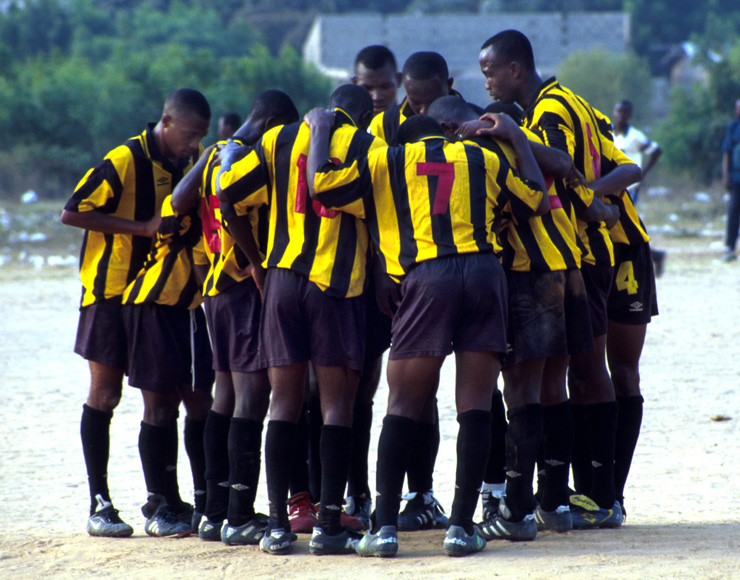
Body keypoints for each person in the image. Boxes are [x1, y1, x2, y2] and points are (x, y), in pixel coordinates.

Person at [308, 110, 547, 557]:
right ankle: (460, 528)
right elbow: (535, 197)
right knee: (474, 405)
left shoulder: (387, 159)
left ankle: (383, 530)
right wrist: (513, 135)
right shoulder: (480, 156)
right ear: (445, 134)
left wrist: (320, 131)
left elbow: (321, 185)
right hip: (483, 273)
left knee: (403, 403)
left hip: (427, 278)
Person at [479, 30, 641, 530]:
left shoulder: (549, 113)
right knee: (593, 376)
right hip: (614, 246)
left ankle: (590, 497)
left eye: (489, 71)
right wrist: (593, 198)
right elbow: (627, 167)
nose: (485, 82)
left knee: (579, 376)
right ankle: (593, 496)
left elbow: (556, 164)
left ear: (515, 70)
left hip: (586, 255)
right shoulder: (577, 102)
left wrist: (585, 200)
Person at [217, 84, 381, 556]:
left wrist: (256, 264)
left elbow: (227, 196)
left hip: (283, 281)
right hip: (336, 286)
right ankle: (329, 525)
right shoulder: (365, 145)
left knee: (283, 404)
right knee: (335, 405)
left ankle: (275, 526)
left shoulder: (277, 139)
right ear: (362, 115)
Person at [431, 96, 592, 539]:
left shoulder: (491, 152)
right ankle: (555, 503)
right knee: (551, 389)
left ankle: (518, 513)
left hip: (529, 275)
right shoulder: (533, 144)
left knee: (521, 390)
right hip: (566, 269)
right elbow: (566, 167)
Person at [61, 88, 212, 538]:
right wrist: (140, 228)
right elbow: (72, 213)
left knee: (162, 397)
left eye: (199, 136)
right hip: (110, 293)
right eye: (188, 134)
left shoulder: (189, 164)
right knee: (105, 395)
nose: (193, 144)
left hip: (156, 300)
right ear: (165, 122)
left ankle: (163, 502)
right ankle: (100, 503)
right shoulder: (126, 159)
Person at [170, 90, 301, 545]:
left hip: (215, 291)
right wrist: (257, 264)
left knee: (224, 394)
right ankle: (241, 515)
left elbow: (177, 200)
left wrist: (207, 159)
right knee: (252, 397)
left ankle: (214, 511)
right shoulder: (246, 155)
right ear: (270, 125)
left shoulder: (216, 153)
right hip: (242, 283)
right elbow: (230, 205)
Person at [121, 190, 215, 538]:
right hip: (152, 305)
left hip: (189, 309)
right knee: (159, 408)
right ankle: (159, 504)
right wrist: (207, 157)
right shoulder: (183, 201)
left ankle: (205, 501)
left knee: (200, 403)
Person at [612, 99, 662, 205]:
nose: (621, 115)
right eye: (619, 111)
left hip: (630, 186)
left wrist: (642, 173)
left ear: (629, 115)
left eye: (625, 112)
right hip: (611, 184)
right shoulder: (608, 134)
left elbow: (656, 151)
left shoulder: (635, 136)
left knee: (625, 216)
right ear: (614, 113)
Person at [352, 45, 403, 116]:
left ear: (399, 80)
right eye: (367, 88)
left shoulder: (414, 125)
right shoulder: (338, 125)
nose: (376, 97)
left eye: (385, 87)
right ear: (355, 84)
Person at [720, 98, 740, 262]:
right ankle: (730, 247)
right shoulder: (733, 127)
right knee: (733, 210)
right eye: (736, 108)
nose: (737, 111)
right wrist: (725, 175)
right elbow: (726, 153)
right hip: (736, 177)